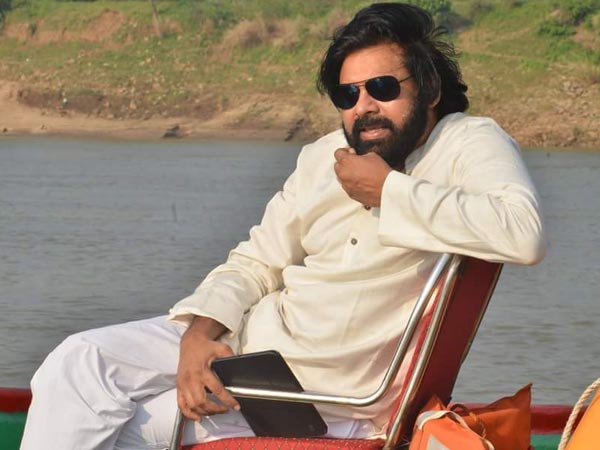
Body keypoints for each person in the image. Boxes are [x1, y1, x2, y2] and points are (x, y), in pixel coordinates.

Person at [20, 3, 546, 449]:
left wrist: (387, 191)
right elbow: (257, 261)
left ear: (429, 88)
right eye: (347, 96)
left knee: (130, 427)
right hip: (247, 345)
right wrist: (199, 335)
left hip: (318, 395)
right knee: (77, 362)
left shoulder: (466, 141)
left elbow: (523, 232)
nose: (364, 108)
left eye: (382, 87)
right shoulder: (322, 156)